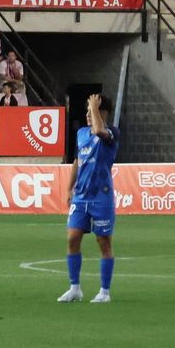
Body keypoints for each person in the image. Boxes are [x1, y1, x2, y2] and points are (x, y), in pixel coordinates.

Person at [57, 93, 119, 304]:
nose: (87, 115)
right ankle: (75, 288)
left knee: (104, 242)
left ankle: (105, 292)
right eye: (87, 110)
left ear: (102, 113)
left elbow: (99, 130)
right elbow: (77, 161)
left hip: (102, 197)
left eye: (90, 111)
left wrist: (95, 107)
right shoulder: (81, 133)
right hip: (81, 197)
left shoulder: (112, 133)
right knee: (72, 238)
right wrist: (69, 188)